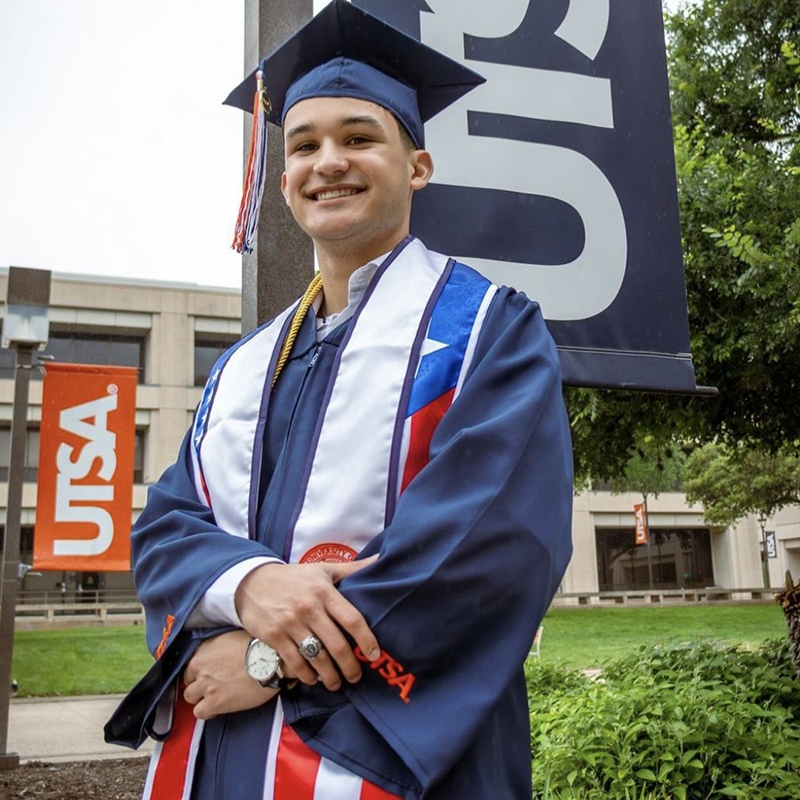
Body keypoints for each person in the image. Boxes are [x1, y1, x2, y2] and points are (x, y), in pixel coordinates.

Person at [105, 2, 573, 798]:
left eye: (360, 138)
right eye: (305, 145)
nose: (329, 162)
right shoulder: (242, 366)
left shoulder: (489, 331)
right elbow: (164, 528)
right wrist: (250, 586)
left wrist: (272, 658)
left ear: (417, 166)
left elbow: (489, 546)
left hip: (384, 751)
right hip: (218, 749)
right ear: (283, 179)